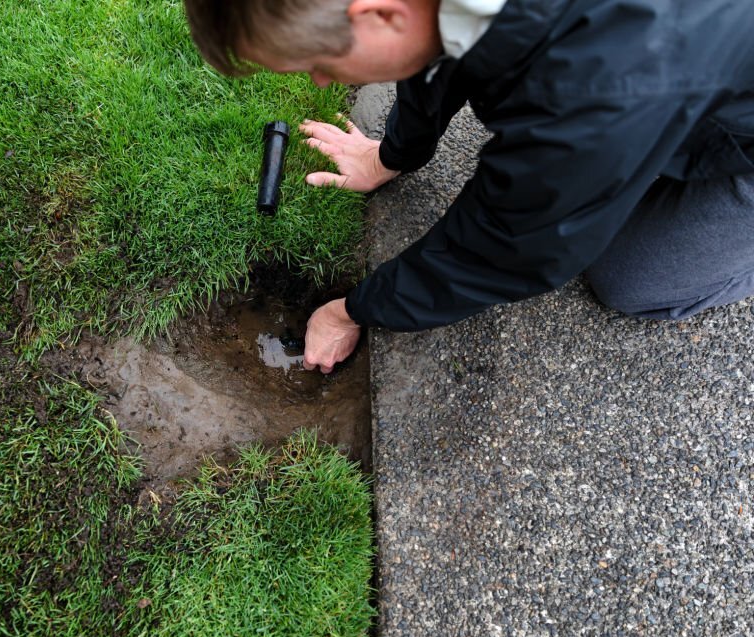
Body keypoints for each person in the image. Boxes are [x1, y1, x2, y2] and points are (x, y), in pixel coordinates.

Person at [182, 0, 754, 373]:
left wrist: (352, 311)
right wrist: (394, 153)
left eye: (318, 61)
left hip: (710, 109)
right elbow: (436, 46)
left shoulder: (595, 86)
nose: (320, 80)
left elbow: (512, 244)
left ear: (378, 13)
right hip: (693, 65)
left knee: (629, 277)